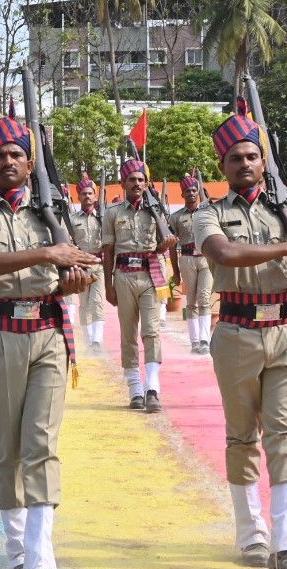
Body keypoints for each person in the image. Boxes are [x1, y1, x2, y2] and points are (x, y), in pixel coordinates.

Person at [0, 104, 99, 569]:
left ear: (30, 161)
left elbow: (76, 268)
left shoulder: (54, 211)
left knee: (41, 445)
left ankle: (40, 563)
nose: (9, 162)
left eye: (18, 153)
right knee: (8, 449)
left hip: (47, 335)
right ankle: (15, 552)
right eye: (0, 155)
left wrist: (73, 280)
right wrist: (47, 253)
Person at [193, 98, 287, 569]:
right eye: (236, 158)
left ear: (263, 161)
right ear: (222, 166)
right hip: (235, 332)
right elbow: (224, 254)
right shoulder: (207, 214)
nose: (246, 164)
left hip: (286, 330)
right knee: (241, 436)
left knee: (284, 435)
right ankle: (250, 531)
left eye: (253, 156)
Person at [102, 159, 176, 412]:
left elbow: (160, 245)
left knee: (151, 331)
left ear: (146, 184)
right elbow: (108, 251)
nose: (137, 184)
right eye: (132, 179)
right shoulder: (112, 213)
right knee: (128, 334)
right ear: (123, 183)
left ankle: (152, 388)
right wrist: (108, 285)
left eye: (141, 180)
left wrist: (164, 246)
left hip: (150, 276)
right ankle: (134, 388)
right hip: (123, 276)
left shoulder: (156, 212)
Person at [170, 175, 213, 354]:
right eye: (188, 191)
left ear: (198, 192)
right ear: (182, 194)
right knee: (191, 301)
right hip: (187, 259)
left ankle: (205, 339)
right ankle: (194, 341)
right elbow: (172, 246)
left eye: (194, 190)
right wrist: (175, 271)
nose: (191, 193)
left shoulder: (208, 213)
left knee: (204, 298)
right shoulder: (176, 217)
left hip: (206, 259)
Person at [67, 178, 105, 348]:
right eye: (84, 194)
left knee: (97, 302)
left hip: (98, 264)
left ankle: (97, 340)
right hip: (81, 265)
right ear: (79, 196)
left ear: (95, 196)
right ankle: (88, 338)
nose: (87, 196)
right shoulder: (72, 220)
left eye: (90, 193)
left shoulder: (103, 218)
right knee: (84, 304)